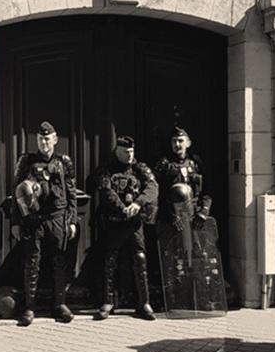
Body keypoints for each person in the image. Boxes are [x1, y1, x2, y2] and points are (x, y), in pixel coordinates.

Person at [11, 121, 77, 326]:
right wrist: (15, 222)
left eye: (48, 139)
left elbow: (71, 192)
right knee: (32, 262)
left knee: (59, 262)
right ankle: (30, 307)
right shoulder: (26, 161)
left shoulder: (64, 162)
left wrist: (72, 220)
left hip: (58, 218)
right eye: (40, 139)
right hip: (35, 220)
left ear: (55, 140)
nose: (44, 143)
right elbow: (16, 194)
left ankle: (60, 305)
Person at [154, 126, 221, 312]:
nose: (177, 145)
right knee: (174, 259)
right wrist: (170, 215)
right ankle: (173, 300)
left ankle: (202, 298)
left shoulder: (197, 164)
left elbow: (207, 191)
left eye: (181, 141)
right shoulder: (164, 165)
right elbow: (157, 194)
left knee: (201, 258)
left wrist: (203, 212)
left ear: (188, 143)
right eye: (174, 141)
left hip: (196, 219)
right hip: (173, 221)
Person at [95, 135, 159, 321]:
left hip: (134, 223)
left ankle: (144, 302)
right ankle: (108, 301)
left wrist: (138, 203)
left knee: (140, 259)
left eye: (131, 151)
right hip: (114, 222)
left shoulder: (140, 169)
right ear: (117, 151)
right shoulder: (106, 170)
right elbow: (106, 191)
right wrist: (122, 208)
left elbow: (153, 187)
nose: (129, 155)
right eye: (125, 152)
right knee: (110, 260)